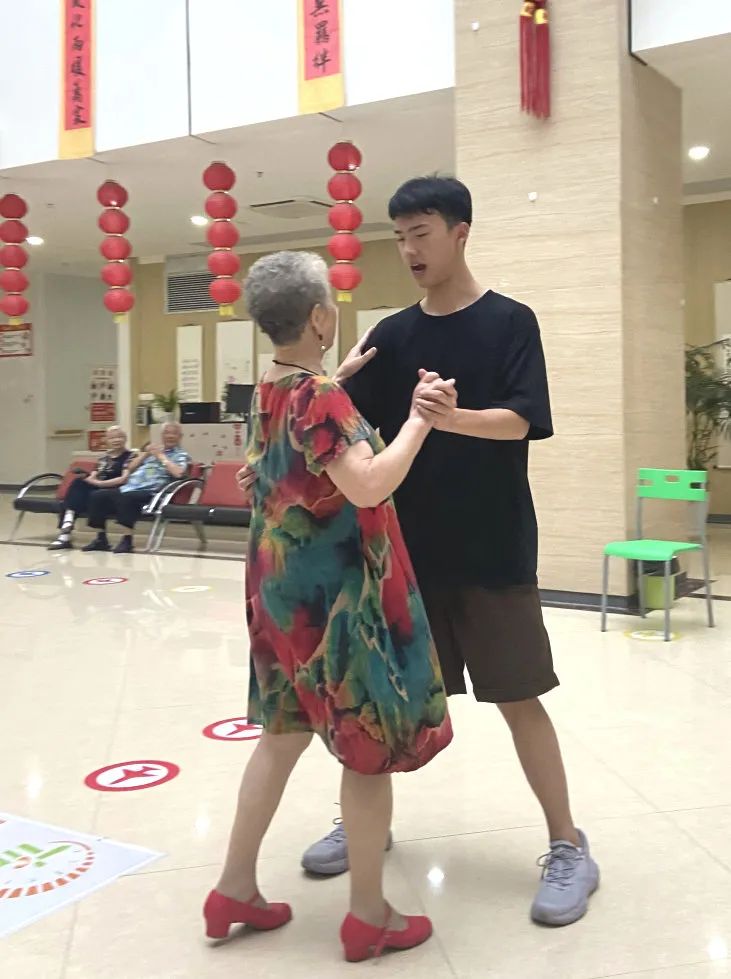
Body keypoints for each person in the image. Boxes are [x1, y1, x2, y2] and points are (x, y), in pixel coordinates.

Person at [299, 177, 600, 927]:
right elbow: (348, 431)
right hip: (402, 552)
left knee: (518, 696)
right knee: (381, 702)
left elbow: (523, 420)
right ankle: (365, 824)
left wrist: (449, 416)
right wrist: (327, 392)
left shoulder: (510, 321)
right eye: (399, 236)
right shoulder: (393, 334)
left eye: (421, 233)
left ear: (460, 232)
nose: (408, 249)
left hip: (493, 546)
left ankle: (568, 844)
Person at [204, 251, 453, 963]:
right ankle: (369, 916)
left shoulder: (270, 389)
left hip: (278, 595)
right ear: (318, 316)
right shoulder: (319, 397)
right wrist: (420, 418)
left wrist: (333, 380)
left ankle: (234, 887)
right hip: (337, 603)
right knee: (367, 752)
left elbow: (286, 457)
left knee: (281, 735)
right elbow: (368, 484)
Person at [83, 421, 190, 554]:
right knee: (97, 496)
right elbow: (130, 468)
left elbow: (179, 473)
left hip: (152, 492)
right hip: (129, 487)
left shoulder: (180, 455)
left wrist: (161, 457)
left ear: (180, 436)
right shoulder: (153, 452)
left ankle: (127, 539)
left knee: (127, 498)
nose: (170, 436)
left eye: (174, 433)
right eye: (166, 433)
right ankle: (101, 538)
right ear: (162, 435)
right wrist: (145, 454)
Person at [47, 426, 134, 551]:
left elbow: (123, 479)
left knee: (96, 495)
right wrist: (87, 477)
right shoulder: (104, 457)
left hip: (118, 490)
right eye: (112, 438)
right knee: (79, 483)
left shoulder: (131, 456)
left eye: (119, 437)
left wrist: (99, 484)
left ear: (125, 439)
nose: (116, 440)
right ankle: (67, 526)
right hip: (100, 487)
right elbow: (94, 476)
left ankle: (67, 527)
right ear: (107, 440)